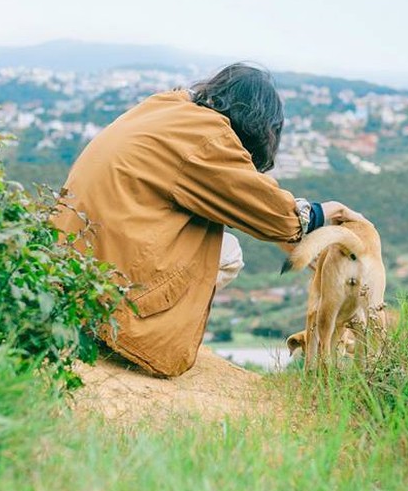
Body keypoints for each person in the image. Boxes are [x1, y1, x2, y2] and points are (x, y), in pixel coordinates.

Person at [52, 63, 364, 377]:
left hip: (66, 271)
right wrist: (324, 213)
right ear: (259, 124)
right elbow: (276, 216)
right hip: (111, 287)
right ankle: (123, 330)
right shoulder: (209, 138)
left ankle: (102, 320)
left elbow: (214, 198)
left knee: (205, 221)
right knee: (228, 253)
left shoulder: (164, 107)